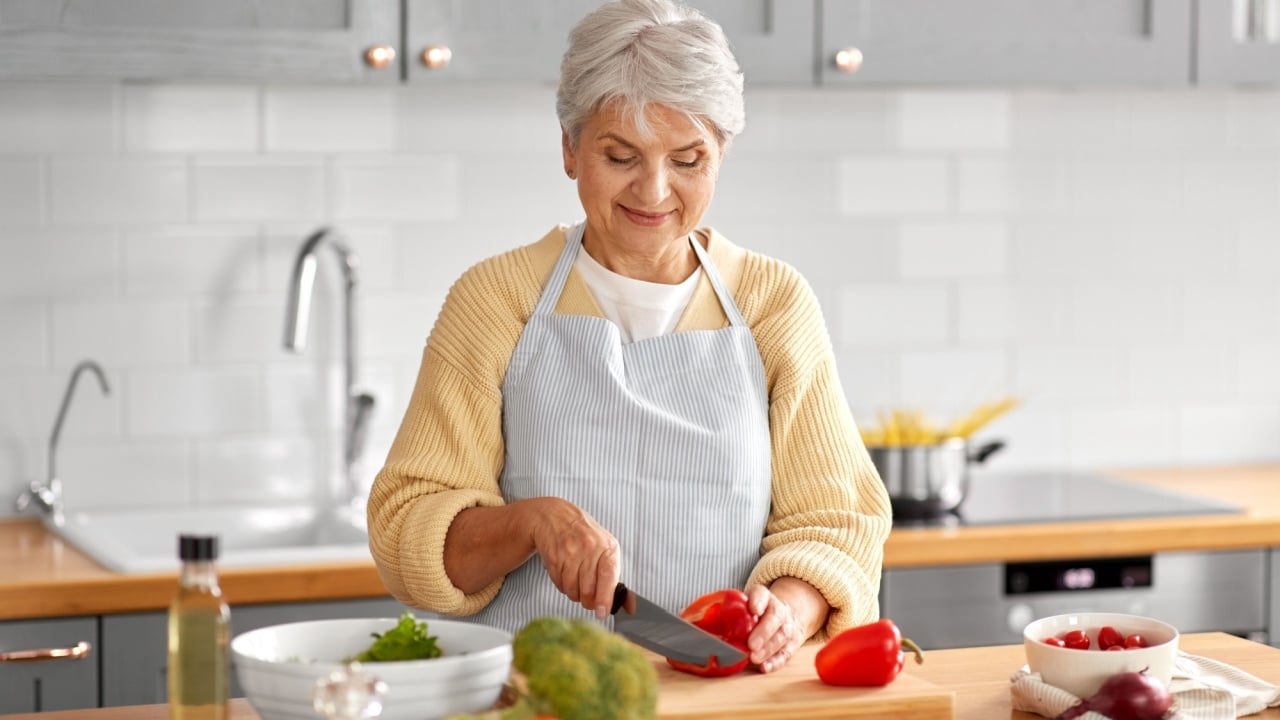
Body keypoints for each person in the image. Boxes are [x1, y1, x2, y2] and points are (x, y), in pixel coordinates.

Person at [367, 0, 891, 674]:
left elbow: (836, 522)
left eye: (688, 159)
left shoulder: (772, 303)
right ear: (569, 147)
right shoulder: (497, 300)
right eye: (621, 155)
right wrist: (531, 522)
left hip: (721, 698)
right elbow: (407, 526)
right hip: (535, 701)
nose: (654, 190)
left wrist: (786, 608)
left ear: (722, 153)